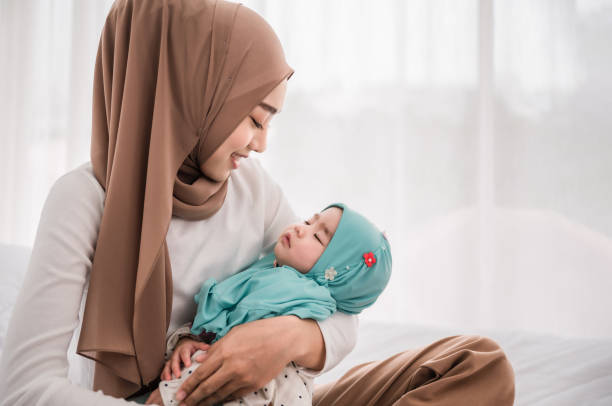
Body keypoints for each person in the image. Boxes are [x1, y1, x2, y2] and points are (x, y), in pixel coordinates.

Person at [0, 0, 515, 405]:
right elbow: (24, 390)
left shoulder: (253, 190)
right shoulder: (85, 200)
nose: (262, 142)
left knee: (479, 364)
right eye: (254, 119)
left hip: (273, 397)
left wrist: (282, 341)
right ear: (199, 98)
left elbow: (340, 307)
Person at [153, 203, 392, 406]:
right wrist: (189, 339)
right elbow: (217, 325)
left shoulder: (306, 303)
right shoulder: (267, 271)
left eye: (318, 236)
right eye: (309, 221)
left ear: (337, 274)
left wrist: (171, 394)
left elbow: (241, 350)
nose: (300, 228)